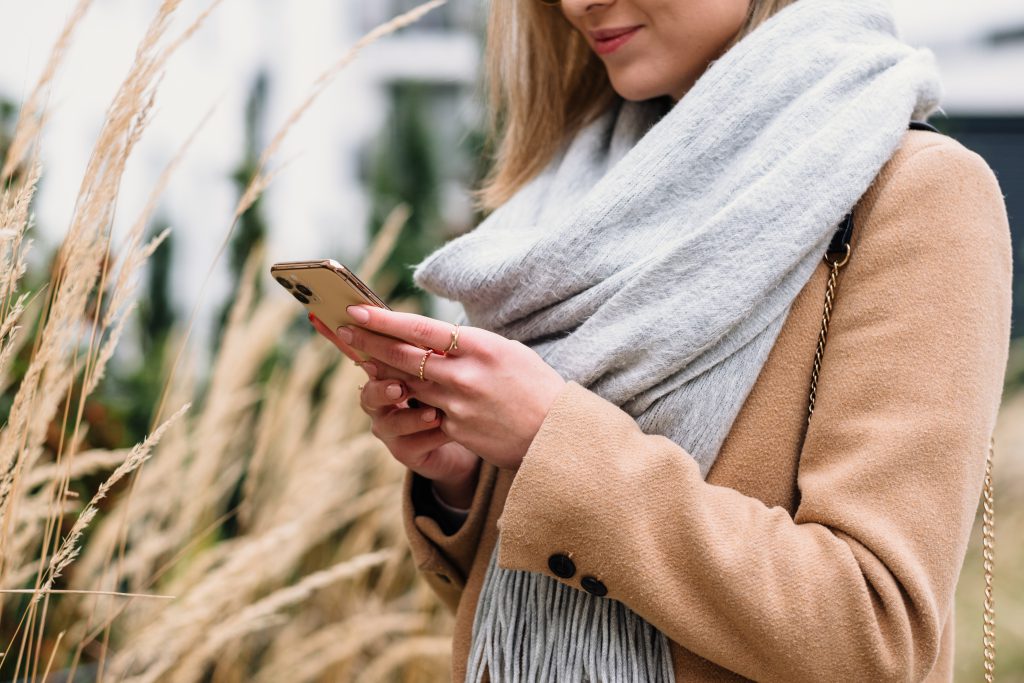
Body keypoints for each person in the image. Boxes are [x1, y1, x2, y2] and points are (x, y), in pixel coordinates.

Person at [309, 0, 1013, 680]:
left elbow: (872, 636)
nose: (577, 3)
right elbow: (529, 620)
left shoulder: (917, 192)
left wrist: (551, 440)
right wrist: (465, 479)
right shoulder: (583, 199)